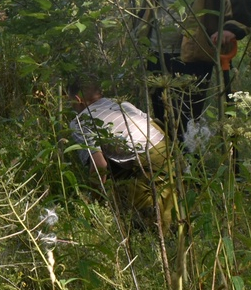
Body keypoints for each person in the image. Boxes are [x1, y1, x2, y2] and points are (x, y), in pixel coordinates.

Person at [127, 0, 251, 139]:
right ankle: (166, 165)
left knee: (186, 117)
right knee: (161, 117)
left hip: (191, 52)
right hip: (157, 50)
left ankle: (190, 164)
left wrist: (231, 28)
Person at [68, 75, 173, 226]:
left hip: (144, 159)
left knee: (147, 220)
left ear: (78, 100)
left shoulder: (81, 121)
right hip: (166, 147)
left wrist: (95, 204)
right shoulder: (123, 104)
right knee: (172, 195)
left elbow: (99, 166)